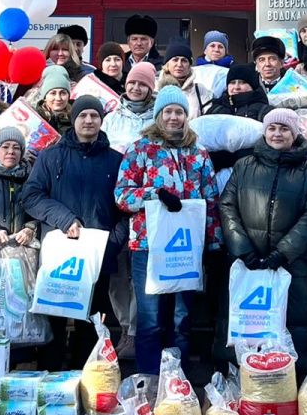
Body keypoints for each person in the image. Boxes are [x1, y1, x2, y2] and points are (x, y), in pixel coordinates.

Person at [115, 85, 222, 374]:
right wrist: (155, 194)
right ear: (158, 115)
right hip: (148, 247)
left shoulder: (198, 153)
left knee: (181, 319)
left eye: (179, 112)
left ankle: (178, 380)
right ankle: (150, 379)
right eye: (168, 112)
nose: (174, 117)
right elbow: (122, 195)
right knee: (150, 319)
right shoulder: (140, 149)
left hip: (186, 247)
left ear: (186, 116)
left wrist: (213, 242)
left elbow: (211, 199)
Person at [22, 96, 127, 369]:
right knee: (54, 324)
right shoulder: (51, 156)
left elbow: (126, 208)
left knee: (91, 326)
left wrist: (112, 243)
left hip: (98, 257)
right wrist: (64, 218)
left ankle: (85, 381)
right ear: (73, 119)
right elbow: (31, 196)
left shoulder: (116, 160)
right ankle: (51, 380)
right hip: (60, 256)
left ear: (101, 120)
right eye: (83, 115)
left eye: (94, 116)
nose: (88, 120)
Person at [219, 108, 307, 367]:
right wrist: (242, 248)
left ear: (294, 134)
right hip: (248, 261)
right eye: (272, 128)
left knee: (296, 321)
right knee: (245, 322)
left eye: (284, 129)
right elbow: (227, 206)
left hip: (293, 262)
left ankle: (292, 376)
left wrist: (284, 252)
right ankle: (241, 375)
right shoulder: (244, 165)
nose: (277, 134)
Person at [102, 61, 158, 360]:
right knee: (116, 272)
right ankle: (124, 325)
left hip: (144, 206)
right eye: (132, 82)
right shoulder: (111, 118)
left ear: (151, 88)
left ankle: (135, 332)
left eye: (142, 84)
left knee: (140, 273)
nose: (136, 88)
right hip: (113, 201)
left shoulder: (158, 118)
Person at [157, 39, 214, 119]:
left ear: (189, 65)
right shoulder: (156, 88)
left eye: (184, 60)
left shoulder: (199, 90)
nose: (179, 64)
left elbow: (209, 118)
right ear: (167, 64)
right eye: (175, 60)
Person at [35, 65, 73, 134]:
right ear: (45, 97)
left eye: (63, 93)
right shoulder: (35, 118)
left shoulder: (77, 118)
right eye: (53, 93)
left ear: (68, 96)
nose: (58, 98)